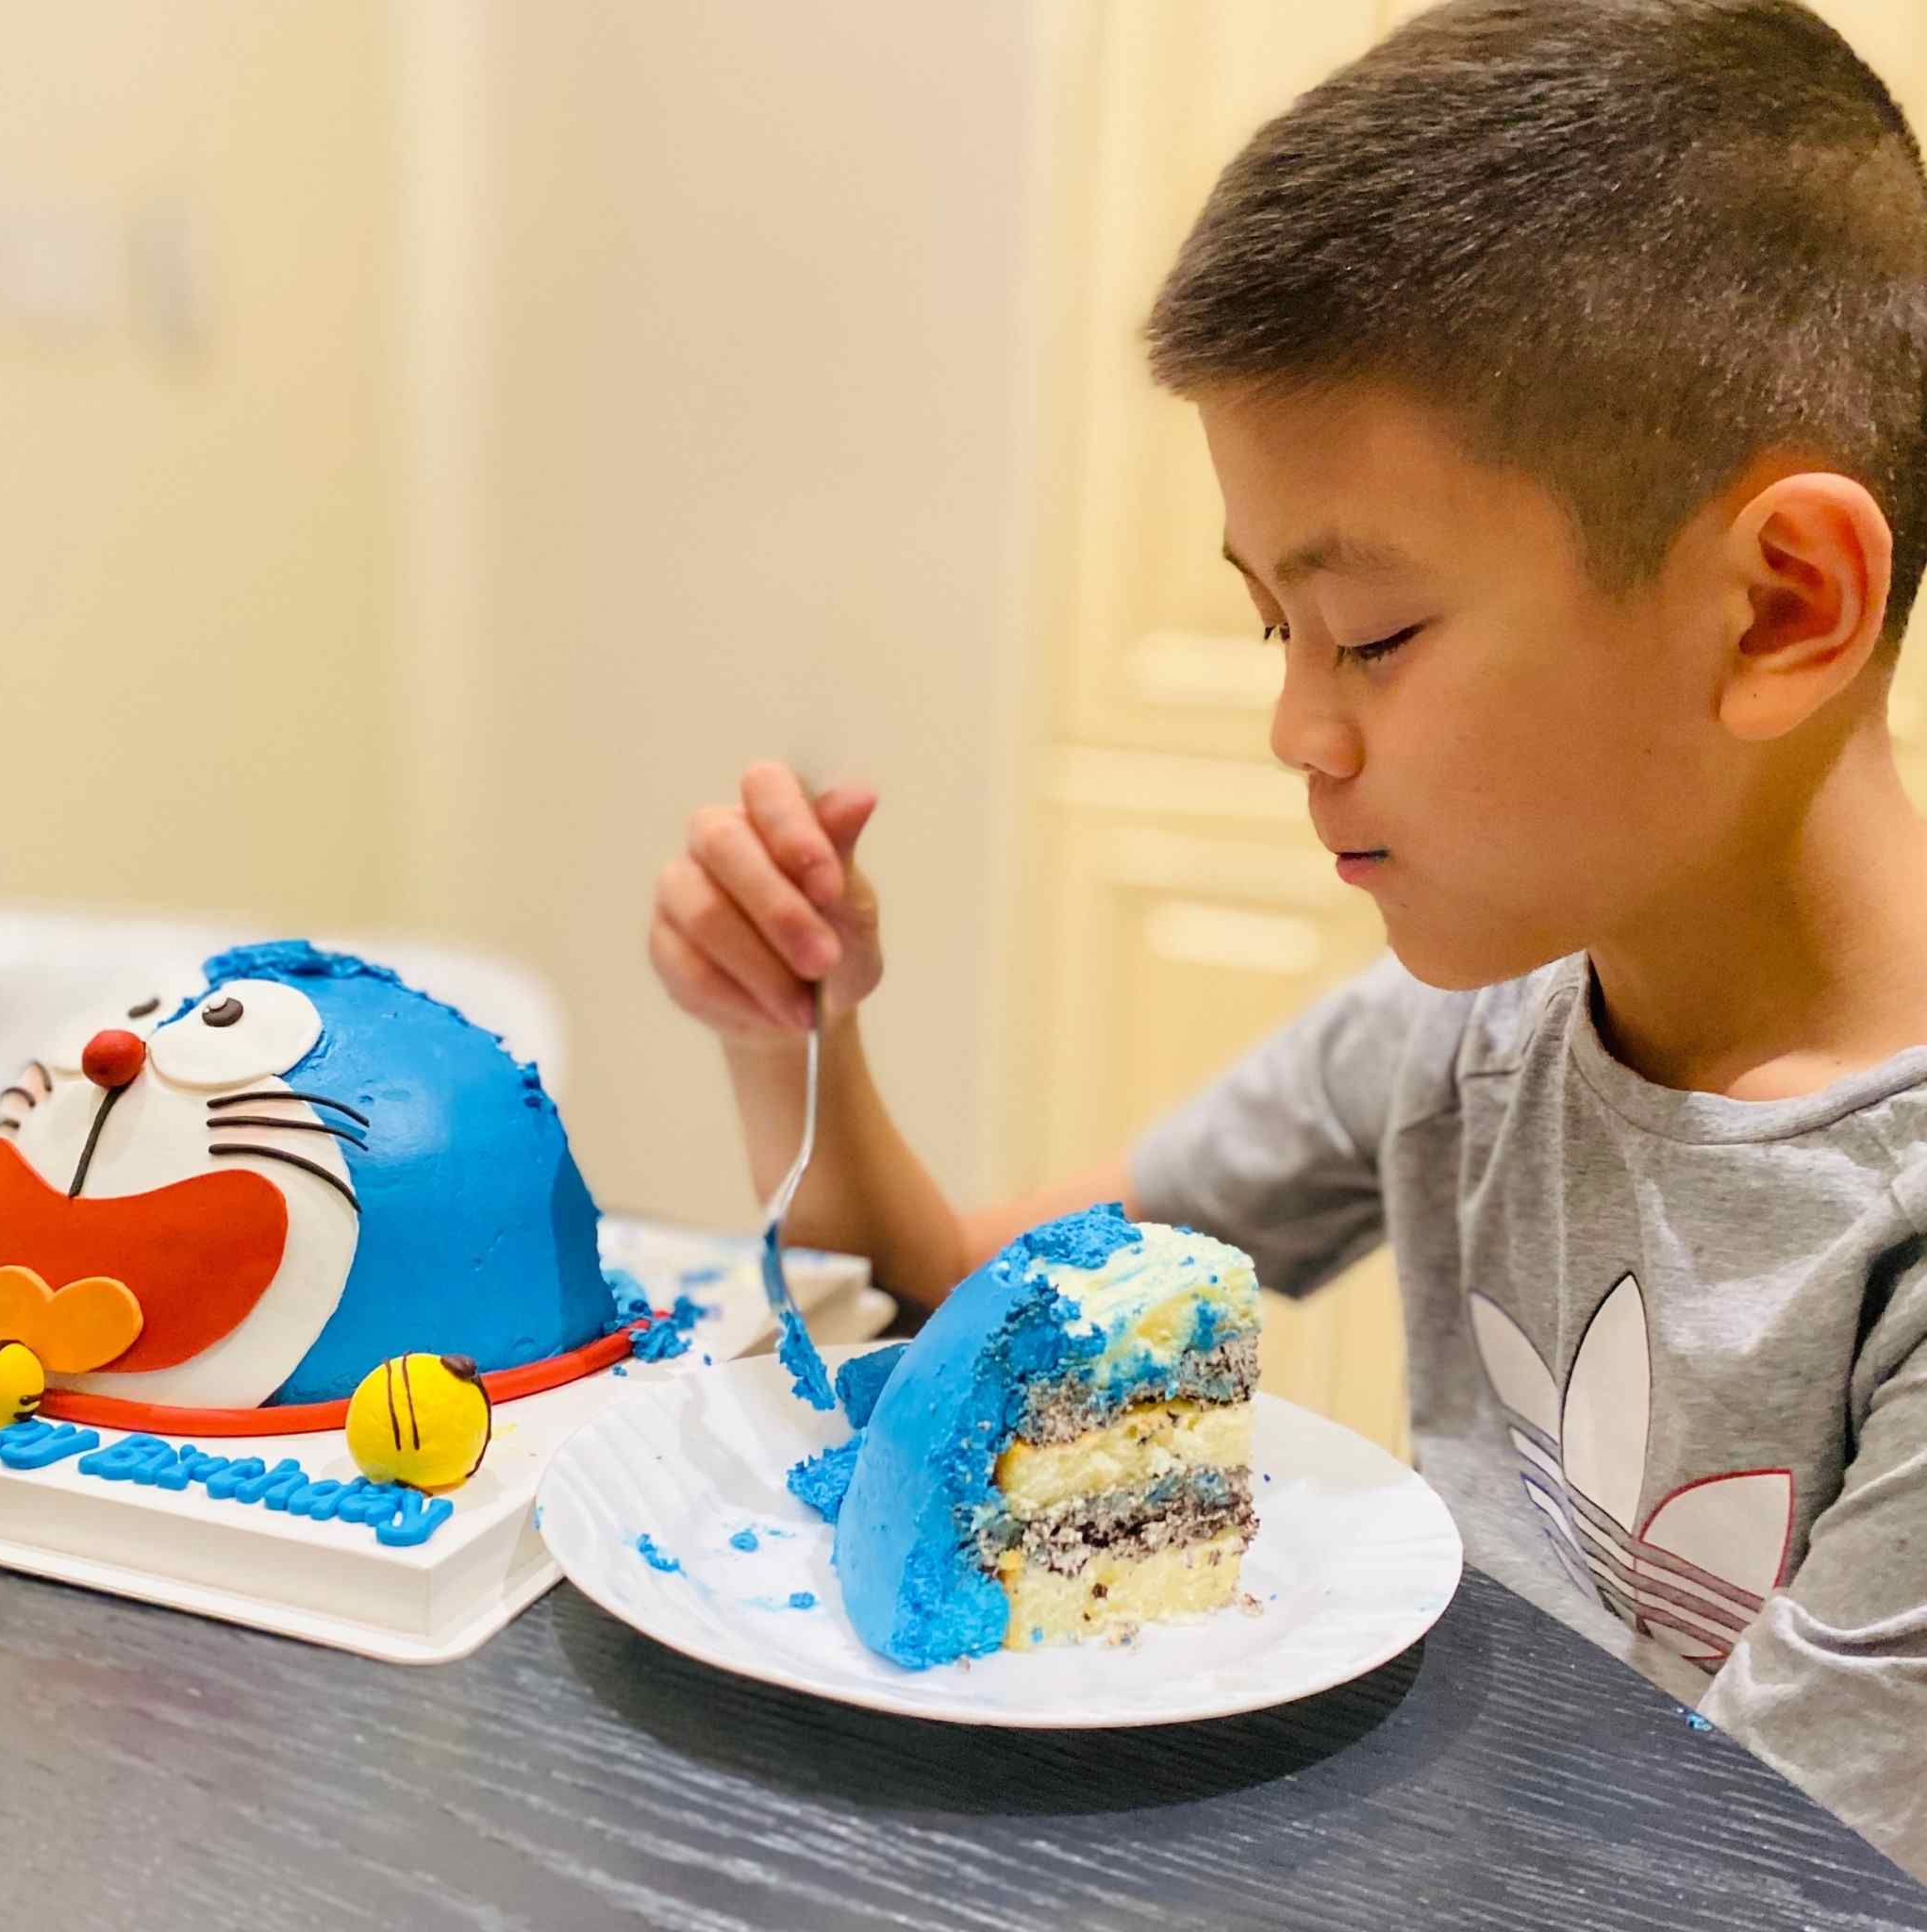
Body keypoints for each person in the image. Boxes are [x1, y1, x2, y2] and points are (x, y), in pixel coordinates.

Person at [649, 0, 1927, 1878]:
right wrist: (797, 1034)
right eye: (1275, 629)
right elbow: (956, 1305)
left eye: (1373, 636)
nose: (1295, 731)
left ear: (1779, 608)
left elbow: (1762, 1885)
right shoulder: (1461, 1039)